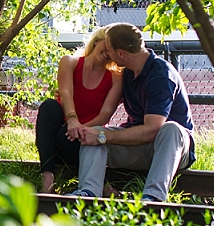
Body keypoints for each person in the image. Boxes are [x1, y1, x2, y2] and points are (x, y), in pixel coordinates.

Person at [70, 23, 195, 201]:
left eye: (110, 51)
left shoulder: (161, 75)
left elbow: (153, 129)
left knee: (170, 129)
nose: (108, 55)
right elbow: (99, 99)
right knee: (95, 132)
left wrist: (104, 137)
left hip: (171, 149)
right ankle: (88, 192)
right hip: (138, 146)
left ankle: (153, 197)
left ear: (120, 53)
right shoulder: (126, 73)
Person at [35, 27, 123, 192]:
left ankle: (102, 184)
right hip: (59, 134)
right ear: (97, 41)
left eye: (114, 50)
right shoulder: (69, 62)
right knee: (49, 106)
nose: (109, 52)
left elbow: (105, 115)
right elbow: (65, 92)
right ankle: (47, 178)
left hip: (86, 140)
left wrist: (81, 129)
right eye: (108, 45)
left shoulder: (116, 77)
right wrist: (72, 120)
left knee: (65, 136)